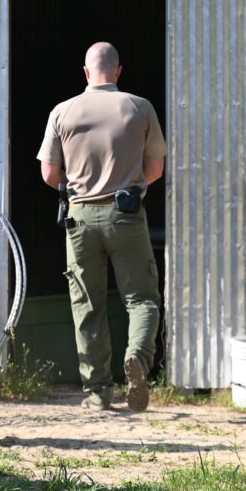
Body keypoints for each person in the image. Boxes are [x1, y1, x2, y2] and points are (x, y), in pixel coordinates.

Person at [37, 42, 166, 412]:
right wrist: (130, 185)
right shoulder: (139, 107)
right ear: (119, 71)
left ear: (85, 71)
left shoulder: (62, 111)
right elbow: (155, 169)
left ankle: (97, 393)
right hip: (125, 215)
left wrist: (77, 186)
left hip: (79, 217)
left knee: (88, 305)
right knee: (141, 299)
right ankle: (137, 356)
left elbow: (49, 174)